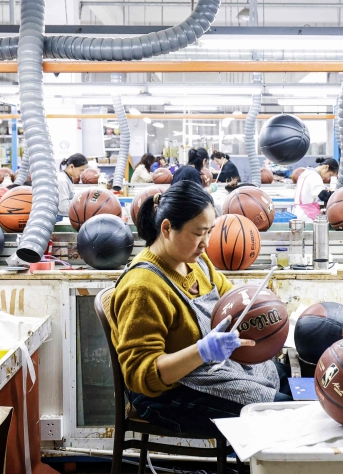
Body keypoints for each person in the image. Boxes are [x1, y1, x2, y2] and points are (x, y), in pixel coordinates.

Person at [109, 180, 289, 435]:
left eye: (210, 231)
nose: (206, 243)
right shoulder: (143, 286)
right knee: (282, 413)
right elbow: (141, 374)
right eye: (198, 233)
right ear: (167, 228)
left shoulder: (197, 262)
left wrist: (261, 308)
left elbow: (230, 299)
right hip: (166, 396)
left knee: (294, 384)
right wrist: (202, 351)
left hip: (208, 371)